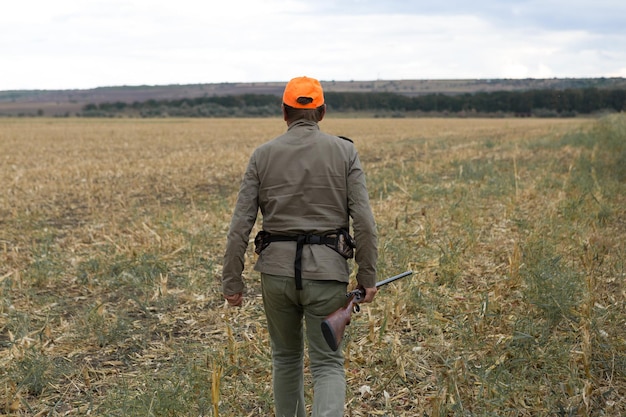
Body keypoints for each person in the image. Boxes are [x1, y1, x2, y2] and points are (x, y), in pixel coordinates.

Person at [221, 76, 378, 417]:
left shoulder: (262, 156)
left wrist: (232, 282)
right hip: (327, 275)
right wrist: (367, 278)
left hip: (275, 277)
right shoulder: (345, 152)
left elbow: (239, 227)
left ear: (284, 113)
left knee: (285, 358)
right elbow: (364, 222)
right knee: (327, 365)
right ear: (322, 112)